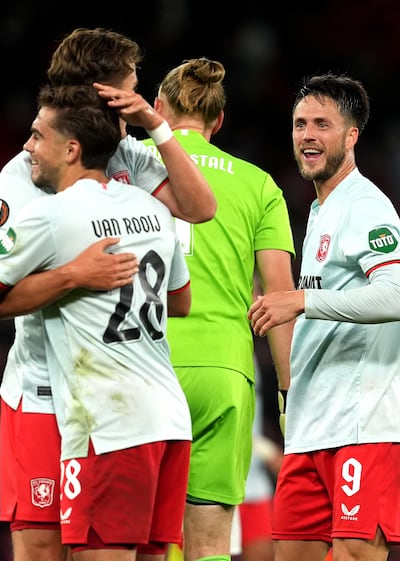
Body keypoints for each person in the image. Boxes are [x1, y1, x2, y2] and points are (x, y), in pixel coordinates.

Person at [0, 28, 215, 561]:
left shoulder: (132, 158)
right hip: (43, 392)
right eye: (131, 87)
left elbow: (200, 207)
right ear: (102, 90)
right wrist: (75, 276)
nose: (139, 98)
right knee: (47, 550)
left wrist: (156, 125)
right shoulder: (26, 173)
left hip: (109, 402)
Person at [247, 72, 400, 561]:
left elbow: (394, 299)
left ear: (351, 136)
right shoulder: (322, 212)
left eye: (322, 124)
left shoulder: (367, 207)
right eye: (300, 123)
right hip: (313, 423)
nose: (307, 135)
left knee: (354, 554)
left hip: (367, 422)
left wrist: (301, 301)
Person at [144, 57, 295, 561]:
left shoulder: (125, 163)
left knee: (140, 537)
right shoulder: (259, 185)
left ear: (158, 108)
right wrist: (289, 397)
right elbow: (278, 300)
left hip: (140, 366)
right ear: (219, 121)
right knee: (209, 543)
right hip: (223, 373)